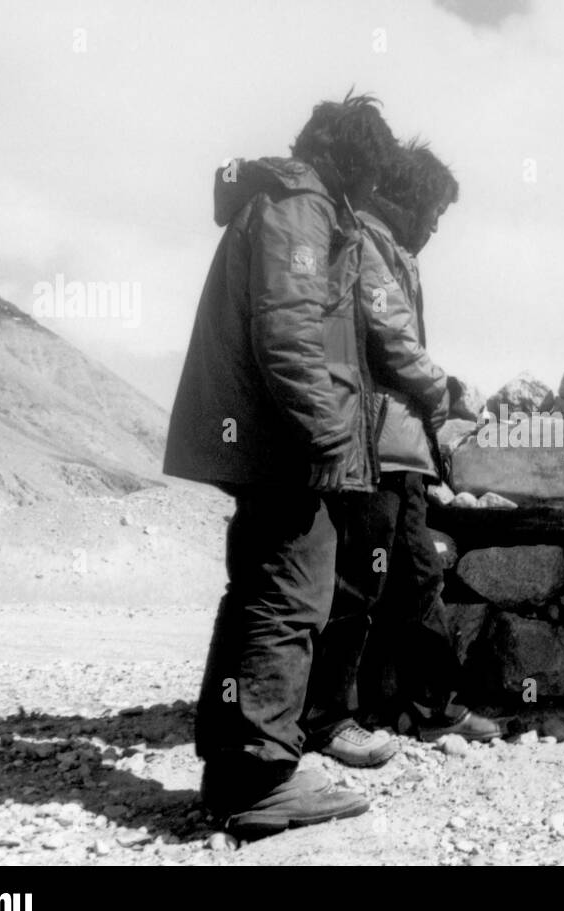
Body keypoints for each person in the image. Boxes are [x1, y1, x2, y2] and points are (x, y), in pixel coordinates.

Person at [163, 93, 396, 837]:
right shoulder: (302, 207)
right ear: (354, 160)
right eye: (371, 175)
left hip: (263, 440)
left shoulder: (289, 202)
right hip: (282, 446)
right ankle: (259, 782)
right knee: (290, 597)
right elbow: (291, 334)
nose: (371, 193)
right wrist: (330, 442)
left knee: (259, 592)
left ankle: (235, 769)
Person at [338, 142, 501, 742]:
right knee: (396, 572)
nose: (435, 226)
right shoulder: (371, 247)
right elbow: (393, 341)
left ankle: (386, 704)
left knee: (395, 573)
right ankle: (419, 706)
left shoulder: (390, 251)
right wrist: (447, 391)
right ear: (405, 199)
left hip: (398, 443)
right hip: (381, 442)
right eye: (433, 212)